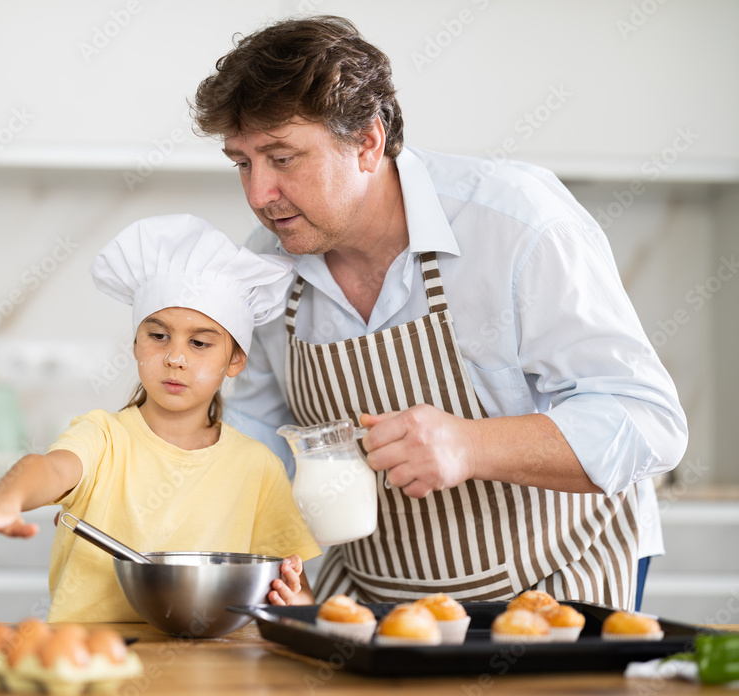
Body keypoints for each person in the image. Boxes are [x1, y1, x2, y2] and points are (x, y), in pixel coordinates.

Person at [191, 15, 687, 611]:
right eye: (243, 163)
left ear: (368, 143)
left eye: (282, 158)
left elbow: (651, 421)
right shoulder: (266, 264)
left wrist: (470, 445)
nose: (257, 195)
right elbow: (260, 431)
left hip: (555, 582)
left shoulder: (517, 224)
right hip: (371, 598)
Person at [0, 214, 322, 622]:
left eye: (199, 343)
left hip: (210, 673)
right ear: (136, 343)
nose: (175, 358)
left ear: (234, 360)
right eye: (158, 336)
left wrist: (291, 600)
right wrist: (4, 503)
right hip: (93, 664)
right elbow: (47, 469)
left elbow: (298, 594)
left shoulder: (257, 468)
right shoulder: (103, 437)